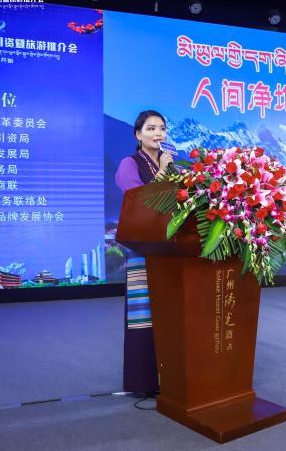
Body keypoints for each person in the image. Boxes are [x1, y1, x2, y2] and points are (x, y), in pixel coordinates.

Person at [114, 110, 173, 394]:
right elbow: (140, 201)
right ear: (138, 134)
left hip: (168, 247)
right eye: (151, 128)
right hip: (141, 248)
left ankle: (170, 375)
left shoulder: (171, 164)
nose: (158, 133)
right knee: (144, 312)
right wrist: (163, 171)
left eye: (161, 128)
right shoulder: (130, 163)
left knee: (168, 311)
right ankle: (144, 381)